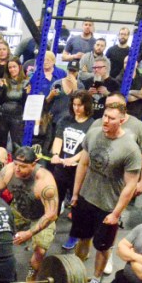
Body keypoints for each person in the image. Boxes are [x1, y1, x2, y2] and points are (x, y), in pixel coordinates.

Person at [70, 103, 142, 283]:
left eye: (111, 118)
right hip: (86, 198)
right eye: (104, 115)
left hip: (108, 206)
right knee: (82, 238)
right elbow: (83, 163)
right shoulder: (93, 134)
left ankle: (95, 278)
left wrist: (116, 213)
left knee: (102, 247)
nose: (106, 120)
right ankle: (77, 272)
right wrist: (76, 194)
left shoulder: (129, 148)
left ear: (121, 120)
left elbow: (130, 185)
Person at [0, 147, 58, 283]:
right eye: (16, 164)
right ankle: (5, 268)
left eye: (23, 166)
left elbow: (51, 214)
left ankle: (32, 276)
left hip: (41, 217)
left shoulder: (45, 183)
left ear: (34, 164)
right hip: (18, 210)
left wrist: (29, 233)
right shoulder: (9, 171)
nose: (18, 170)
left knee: (40, 250)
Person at [51, 91, 94, 250]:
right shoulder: (65, 120)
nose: (76, 108)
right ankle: (49, 229)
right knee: (55, 200)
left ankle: (74, 235)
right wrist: (56, 154)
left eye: (80, 105)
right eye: (74, 105)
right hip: (61, 168)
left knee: (76, 204)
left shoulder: (92, 124)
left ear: (86, 105)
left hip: (78, 171)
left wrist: (74, 159)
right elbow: (58, 139)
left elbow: (87, 149)